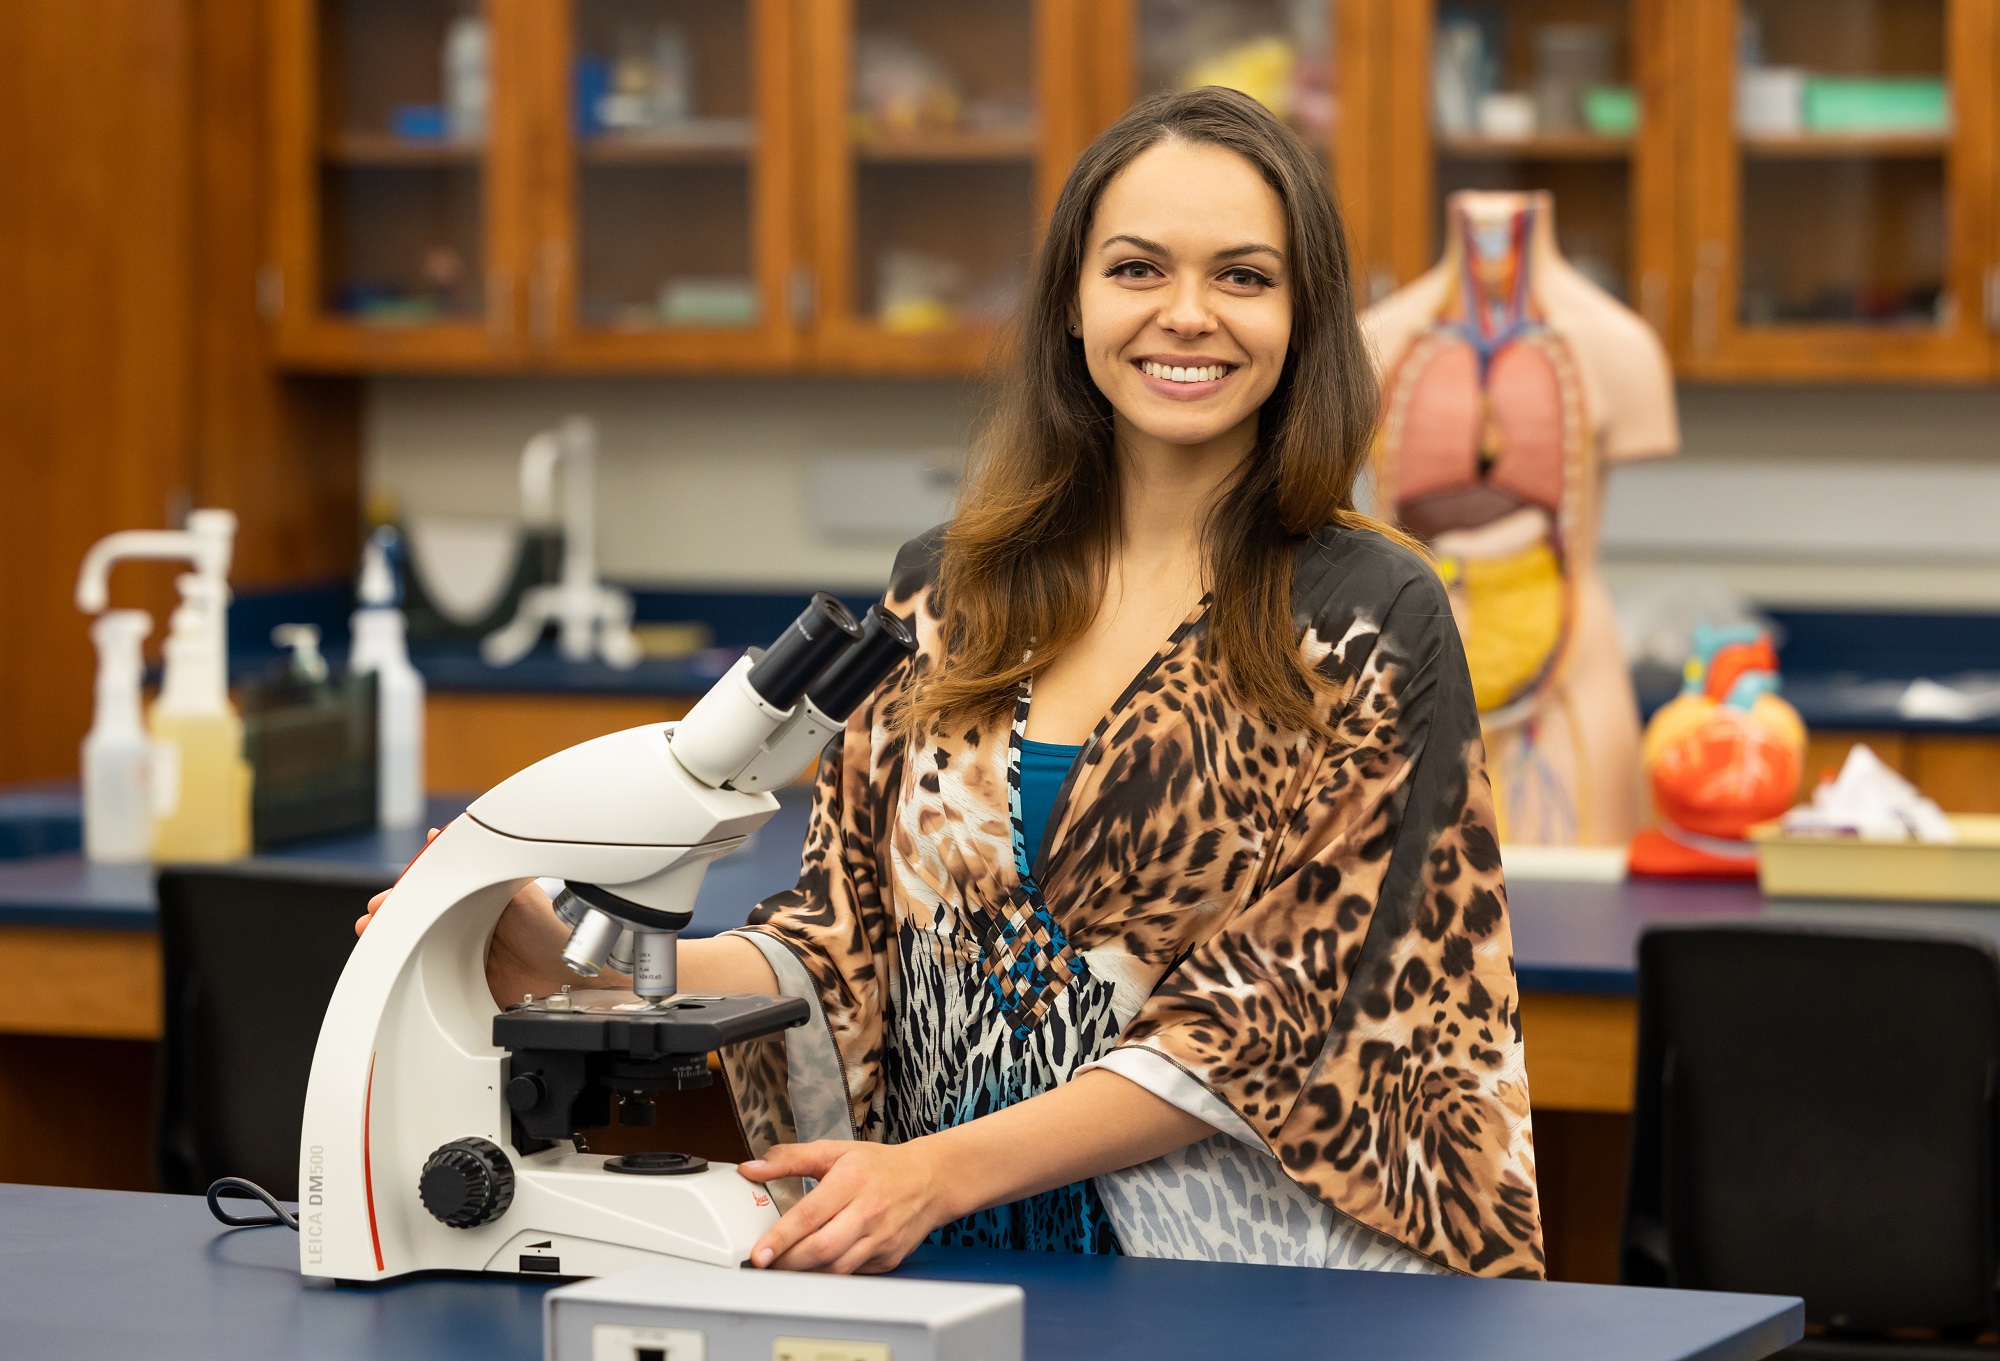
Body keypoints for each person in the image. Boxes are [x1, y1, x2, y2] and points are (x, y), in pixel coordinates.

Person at [360, 87, 1542, 1280]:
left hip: (1240, 1281)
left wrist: (939, 1169)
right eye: (1135, 269)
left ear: (1302, 315)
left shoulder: (1369, 612)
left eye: (1243, 276)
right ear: (1072, 306)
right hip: (952, 1257)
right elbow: (842, 950)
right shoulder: (949, 590)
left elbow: (1269, 1015)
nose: (1186, 316)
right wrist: (573, 970)